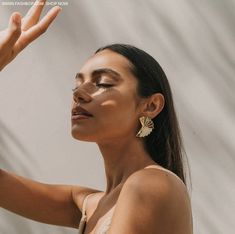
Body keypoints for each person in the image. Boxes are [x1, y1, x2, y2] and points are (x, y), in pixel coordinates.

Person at [0, 1, 193, 233]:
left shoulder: (150, 184)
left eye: (103, 83)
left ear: (151, 105)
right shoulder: (89, 205)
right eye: (77, 85)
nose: (79, 94)